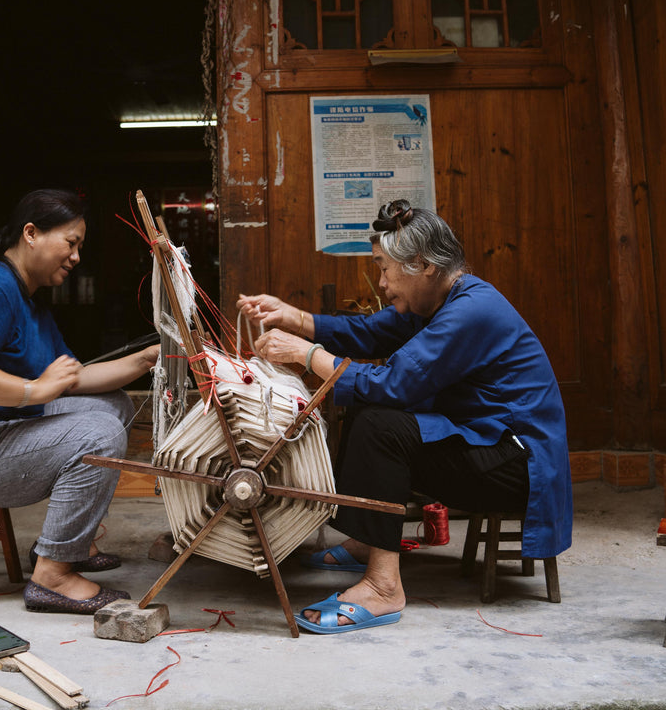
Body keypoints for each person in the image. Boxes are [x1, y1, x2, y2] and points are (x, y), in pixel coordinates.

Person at [237, 199, 572, 634]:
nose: (382, 283)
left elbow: (392, 384)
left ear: (421, 265)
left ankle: (383, 587)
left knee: (381, 422)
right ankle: (366, 542)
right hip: (487, 444)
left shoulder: (471, 311)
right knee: (368, 409)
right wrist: (294, 317)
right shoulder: (438, 301)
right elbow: (371, 332)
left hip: (516, 465)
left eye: (384, 268)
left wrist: (308, 355)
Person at [0, 188, 159, 614]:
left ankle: (62, 543)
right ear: (31, 234)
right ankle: (52, 577)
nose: (76, 256)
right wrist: (33, 391)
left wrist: (145, 359)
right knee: (97, 434)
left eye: (80, 246)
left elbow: (72, 380)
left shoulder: (29, 301)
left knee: (112, 407)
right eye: (71, 242)